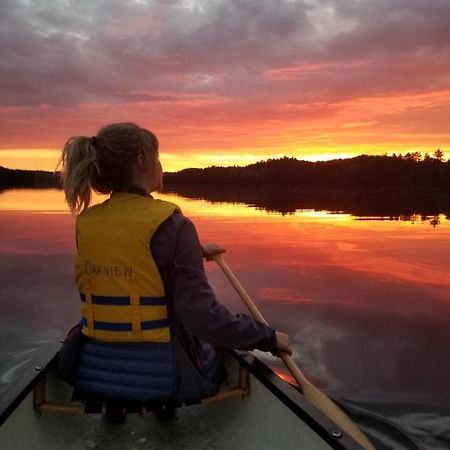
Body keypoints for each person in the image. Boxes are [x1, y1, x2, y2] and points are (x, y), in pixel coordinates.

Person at [57, 122, 291, 417]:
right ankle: (166, 414)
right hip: (165, 380)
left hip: (90, 373)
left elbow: (129, 260)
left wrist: (191, 252)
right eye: (157, 155)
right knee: (216, 345)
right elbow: (202, 318)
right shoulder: (174, 226)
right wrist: (267, 337)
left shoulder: (88, 223)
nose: (160, 164)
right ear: (142, 160)